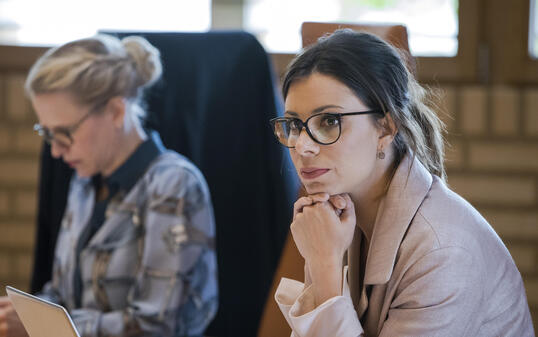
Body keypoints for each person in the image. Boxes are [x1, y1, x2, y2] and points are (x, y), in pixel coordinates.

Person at [270, 29, 534, 337]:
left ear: (385, 128)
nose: (302, 146)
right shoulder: (335, 217)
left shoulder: (442, 252)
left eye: (329, 121)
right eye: (294, 125)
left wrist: (325, 266)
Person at [0, 34, 218, 337]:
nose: (55, 151)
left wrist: (40, 326)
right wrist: (25, 311)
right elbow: (63, 294)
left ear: (116, 111)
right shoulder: (84, 180)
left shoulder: (174, 185)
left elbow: (154, 327)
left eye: (64, 132)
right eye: (47, 133)